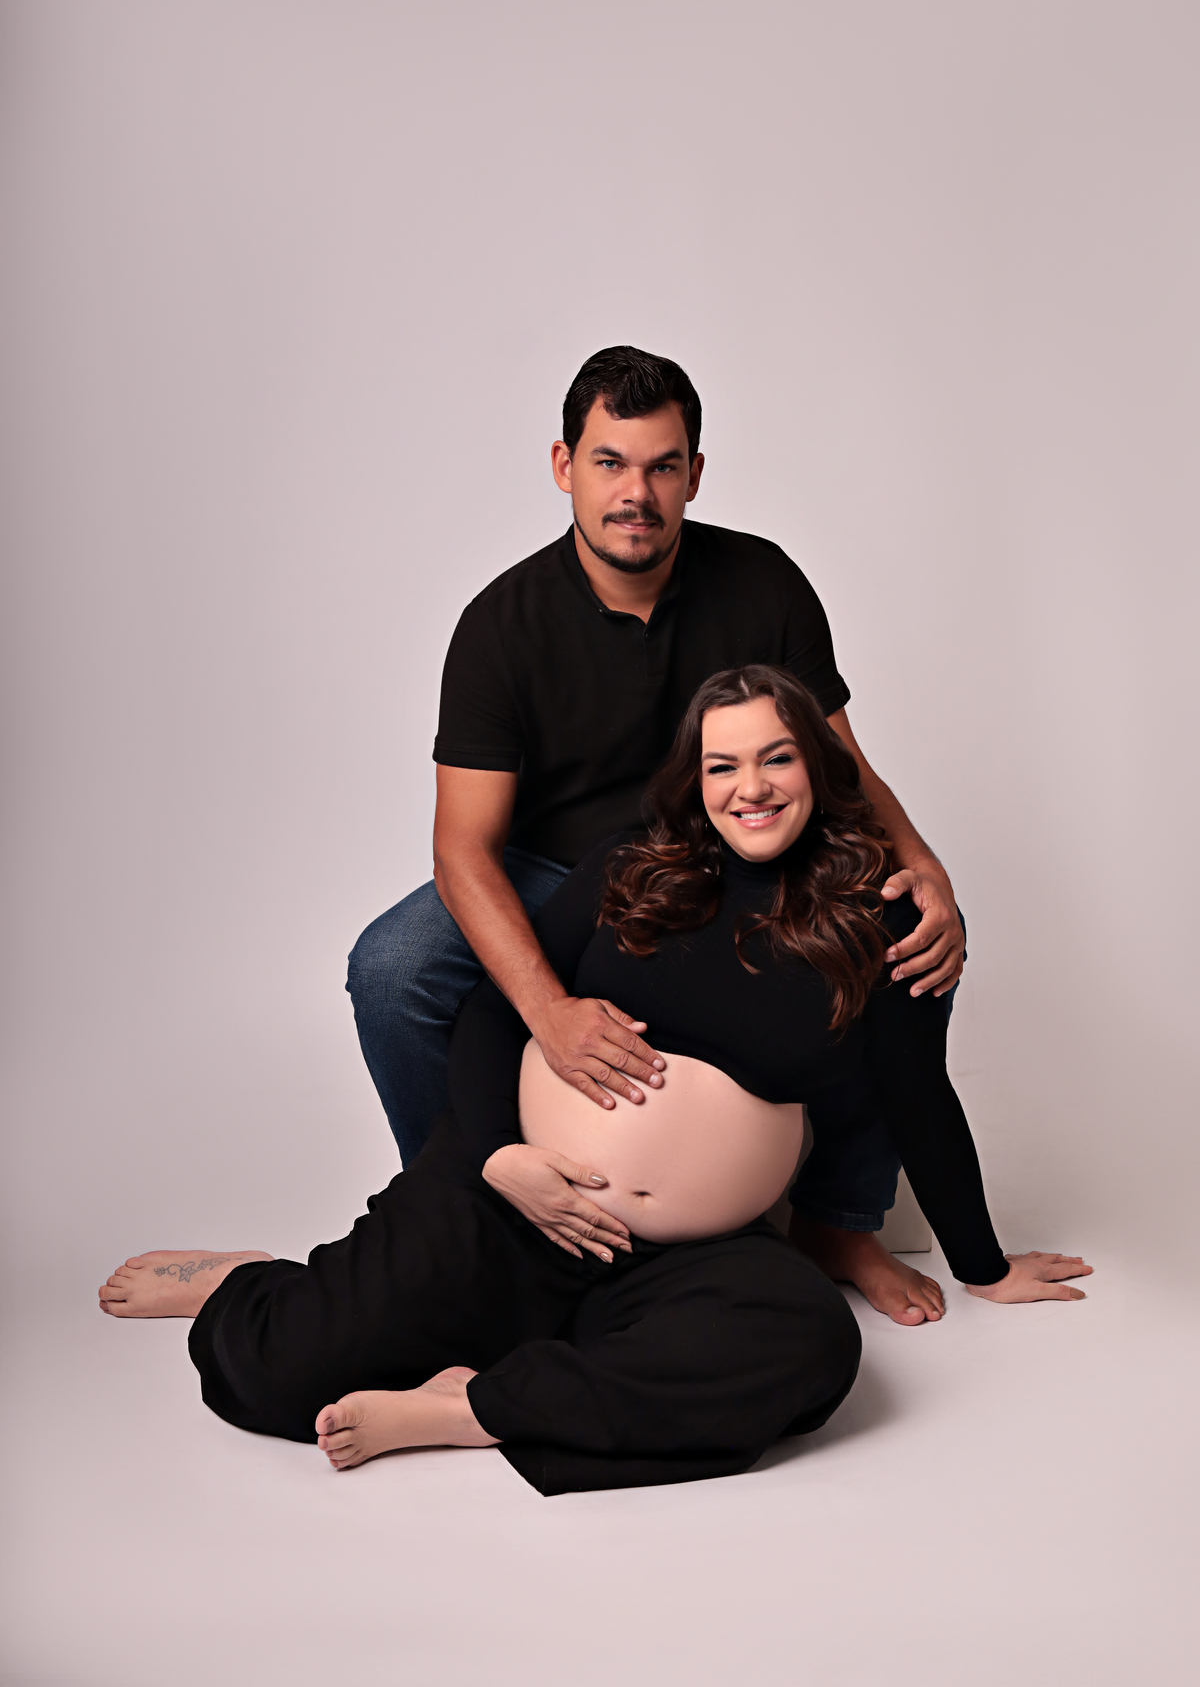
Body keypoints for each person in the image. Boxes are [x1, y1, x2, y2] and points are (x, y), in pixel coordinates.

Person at [99, 668, 1090, 1497]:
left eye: (777, 757)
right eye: (723, 765)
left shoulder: (879, 920)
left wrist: (983, 1264)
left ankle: (472, 1406)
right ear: (696, 779)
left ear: (820, 770)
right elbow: (495, 1012)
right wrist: (501, 1156)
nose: (750, 787)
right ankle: (249, 1281)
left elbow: (919, 1095)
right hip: (519, 1195)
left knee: (809, 1348)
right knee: (283, 1371)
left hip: (690, 1254)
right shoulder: (634, 868)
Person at [348, 345, 966, 1325]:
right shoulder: (500, 625)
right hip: (555, 870)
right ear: (565, 466)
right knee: (392, 969)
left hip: (724, 862)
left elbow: (838, 767)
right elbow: (462, 849)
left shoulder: (763, 582)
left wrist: (924, 867)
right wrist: (549, 1007)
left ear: (694, 474)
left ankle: (838, 1222)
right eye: (610, 463)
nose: (635, 493)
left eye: (661, 466)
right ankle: (465, 1219)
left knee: (906, 928)